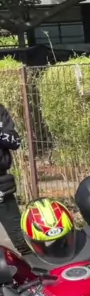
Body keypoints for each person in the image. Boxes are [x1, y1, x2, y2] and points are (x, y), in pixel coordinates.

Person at [0, 104, 29, 255]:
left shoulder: (0, 111)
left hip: (2, 186)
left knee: (22, 242)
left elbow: (15, 142)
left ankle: (32, 267)